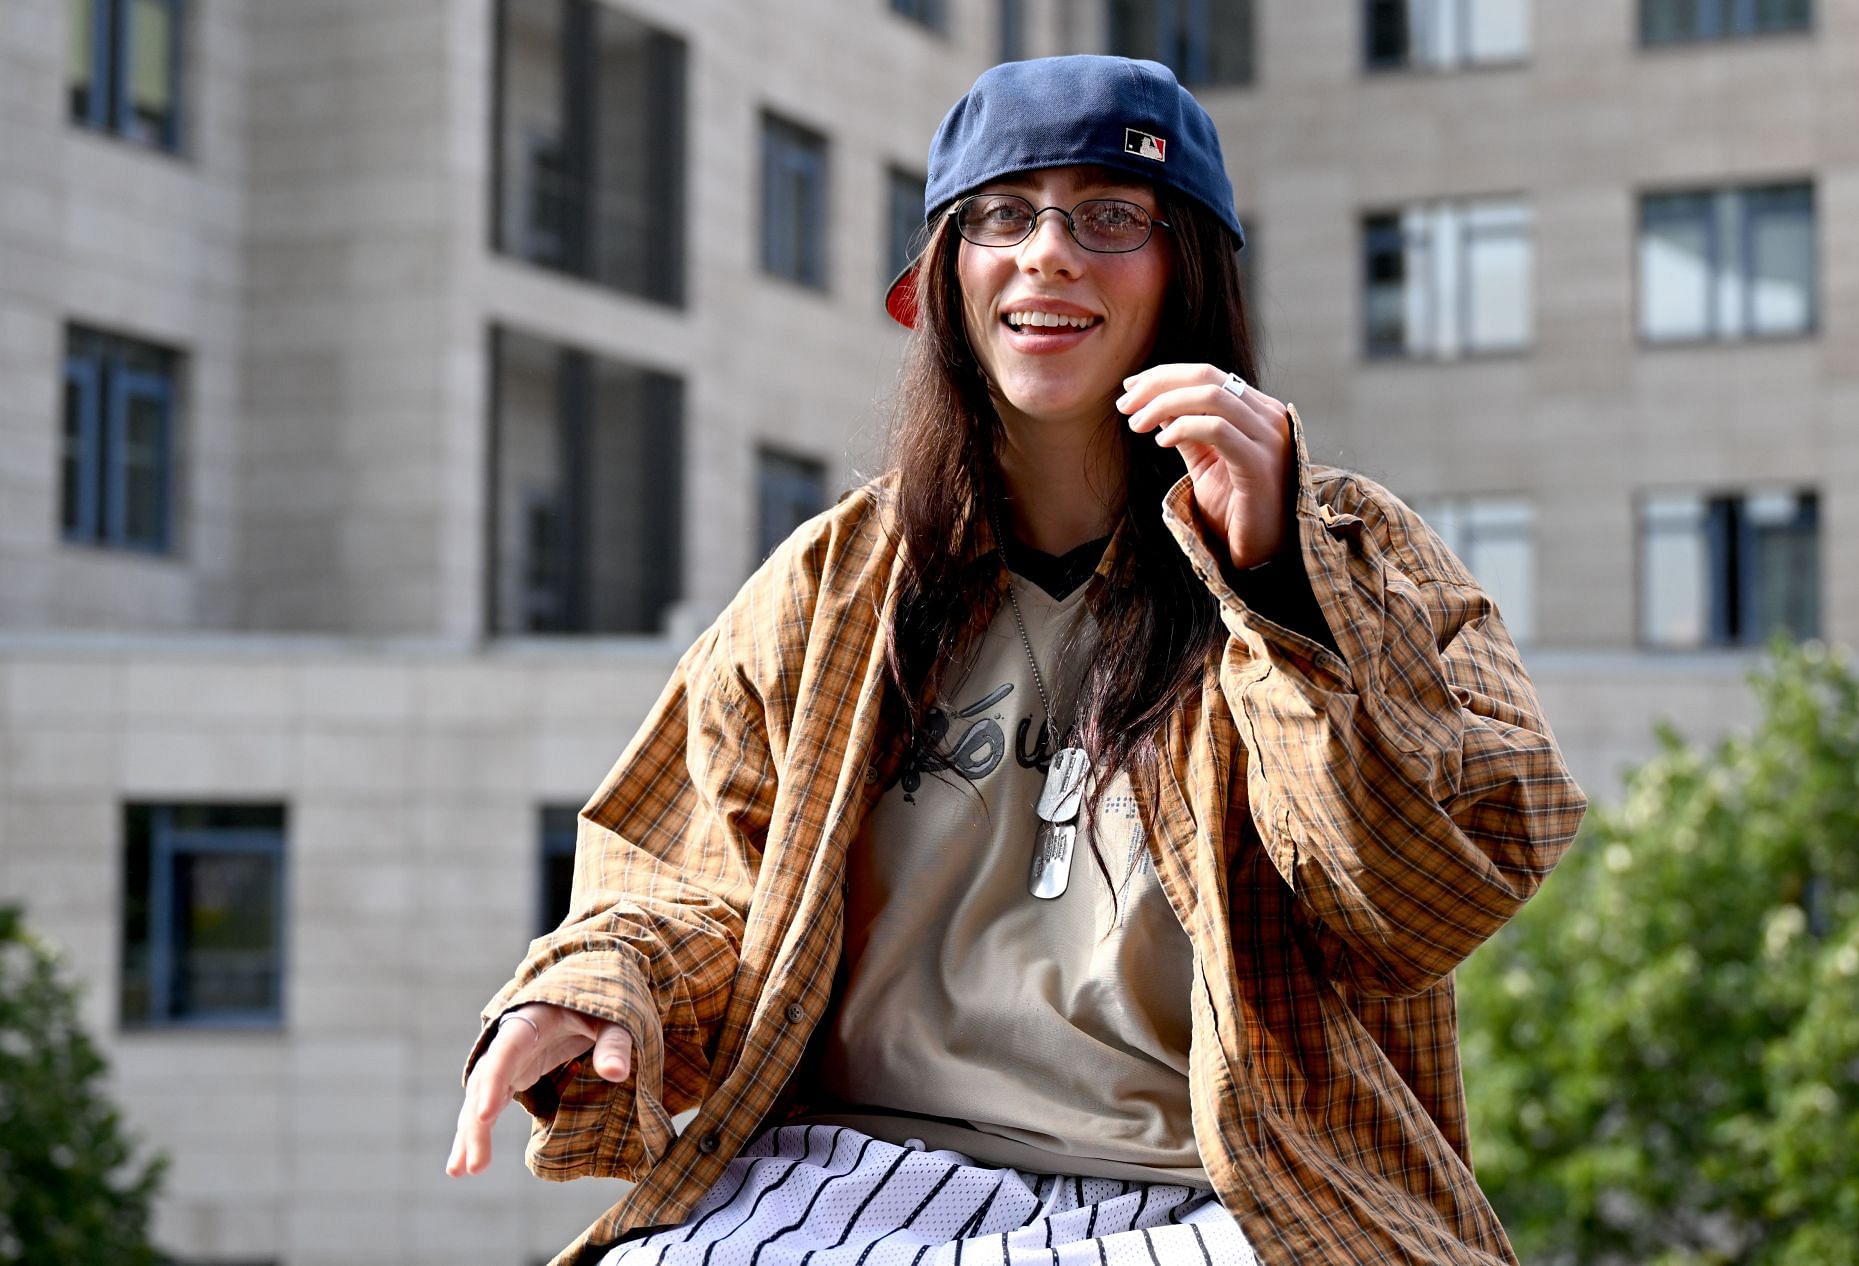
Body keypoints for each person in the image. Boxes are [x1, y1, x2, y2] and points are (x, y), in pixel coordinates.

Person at [446, 55, 1587, 1266]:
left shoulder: (1346, 548)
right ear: (944, 279)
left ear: (1186, 270)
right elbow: (685, 873)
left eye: (1110, 216)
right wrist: (595, 985)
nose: (1048, 253)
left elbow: (1432, 893)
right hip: (847, 1177)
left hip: (1216, 1192)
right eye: (1001, 214)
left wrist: (1275, 587)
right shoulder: (838, 581)